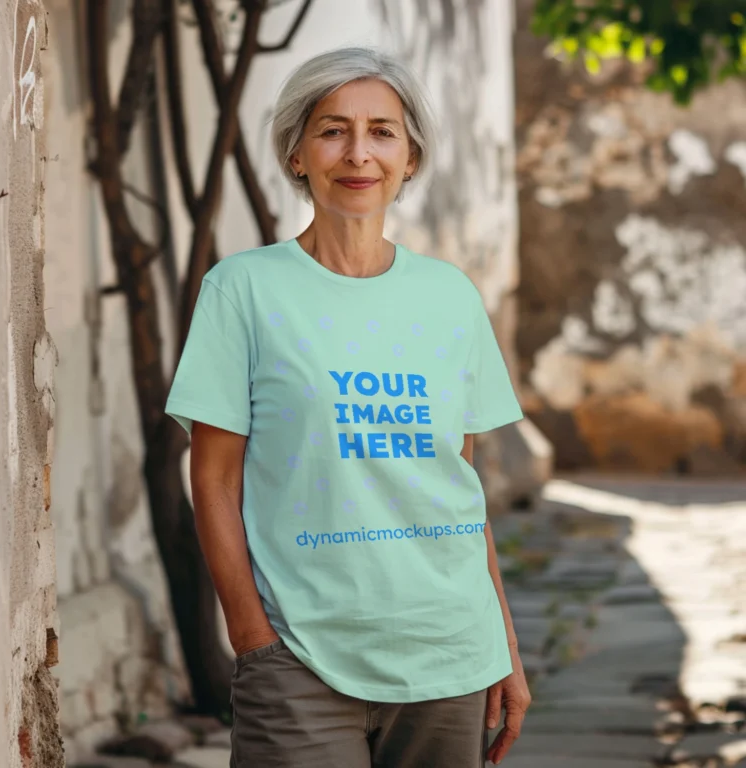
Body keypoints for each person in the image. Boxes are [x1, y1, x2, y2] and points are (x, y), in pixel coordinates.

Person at [165, 45, 531, 768]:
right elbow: (212, 479)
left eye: (382, 132)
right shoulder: (242, 291)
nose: (358, 153)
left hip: (449, 652)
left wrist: (506, 647)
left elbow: (458, 485)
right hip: (299, 658)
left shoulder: (449, 296)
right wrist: (253, 638)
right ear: (297, 153)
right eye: (333, 130)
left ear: (410, 158)